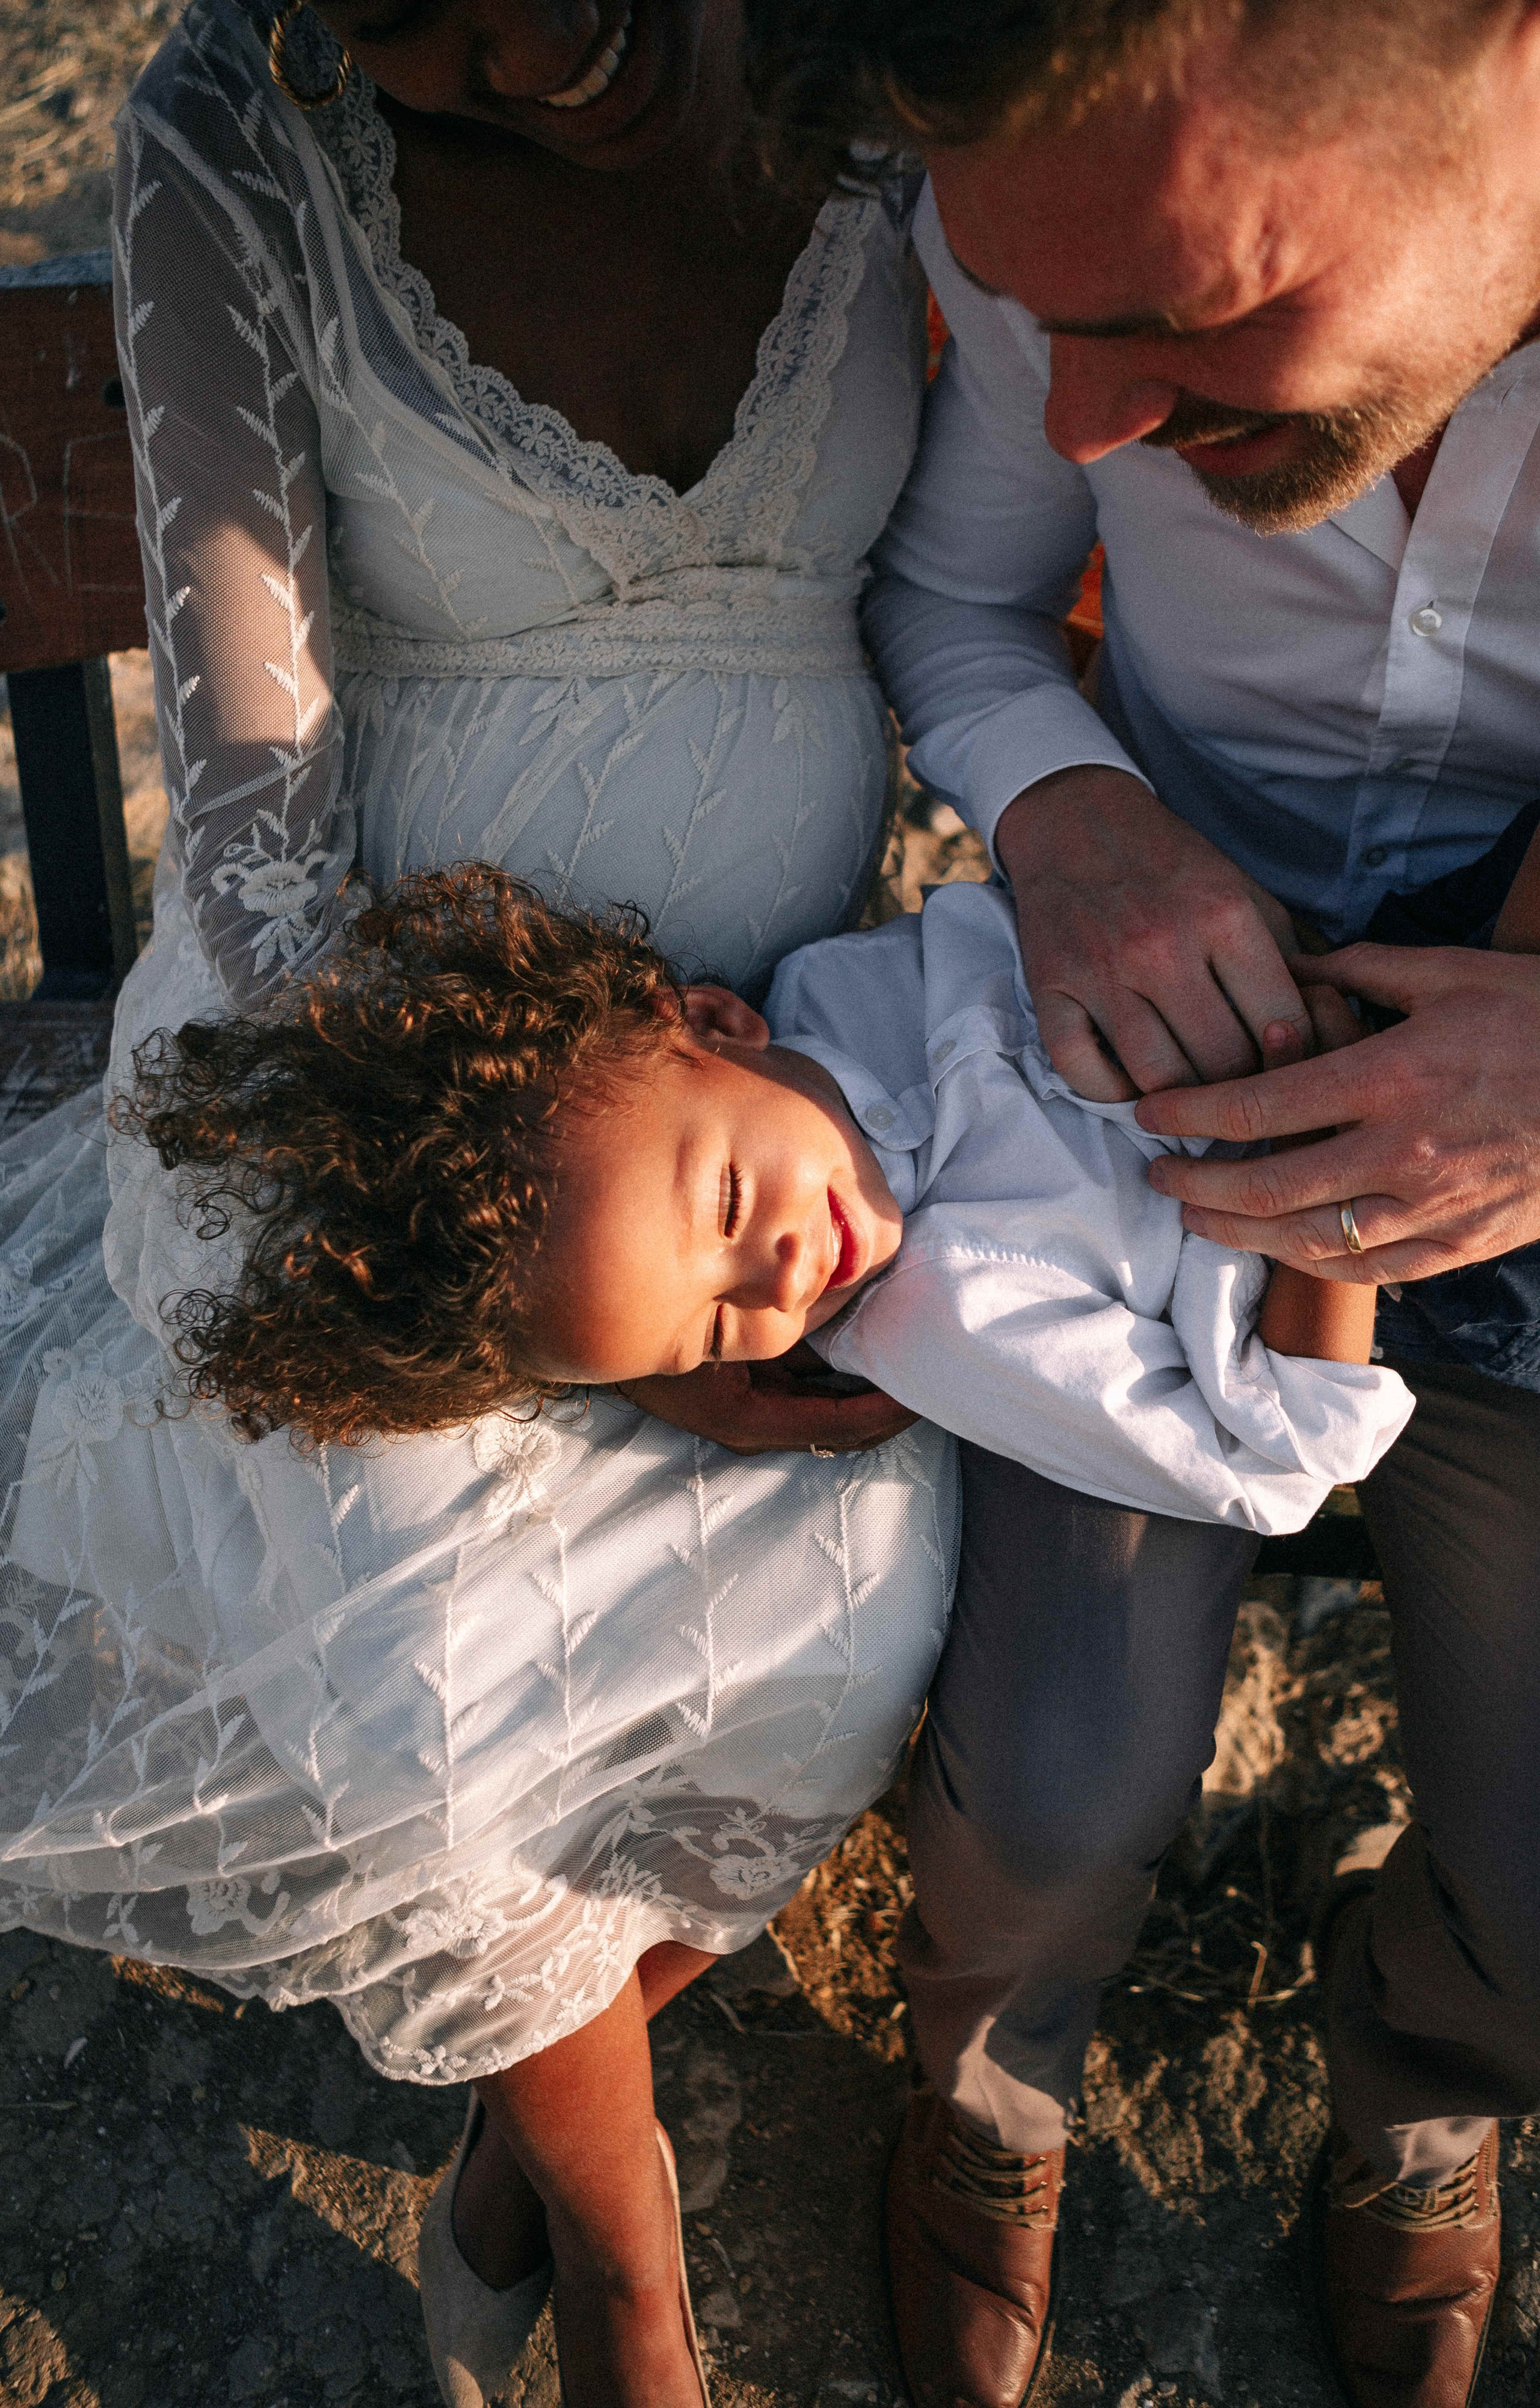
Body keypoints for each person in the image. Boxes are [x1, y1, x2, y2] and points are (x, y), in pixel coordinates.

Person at [0, 5, 959, 2404]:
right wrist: (544, 1274)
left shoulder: (891, 60)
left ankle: (534, 2134)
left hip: (790, 1121)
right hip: (384, 1111)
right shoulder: (243, 118)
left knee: (858, 1614)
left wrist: (738, 1177)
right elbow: (249, 823)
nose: (511, 48)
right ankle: (624, 2249)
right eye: (399, 29)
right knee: (421, 1698)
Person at [744, 5, 1540, 2406]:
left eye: (1182, 318)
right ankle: (986, 2082)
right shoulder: (1061, 234)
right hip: (1144, 1094)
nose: (1089, 424)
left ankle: (1421, 2079)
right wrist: (1071, 813)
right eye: (1038, 320)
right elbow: (969, 608)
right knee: (1057, 1779)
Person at [115, 861, 1411, 1519]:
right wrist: (1326, 1178)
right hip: (1378, 1207)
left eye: (731, 1208)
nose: (786, 1277)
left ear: (716, 1023)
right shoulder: (941, 1318)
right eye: (723, 1327)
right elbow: (1281, 1466)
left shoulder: (840, 991)